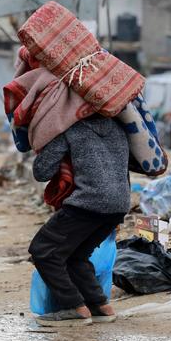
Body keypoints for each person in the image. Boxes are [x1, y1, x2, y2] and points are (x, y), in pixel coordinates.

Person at [28, 114, 130, 327]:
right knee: (76, 255)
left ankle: (74, 308)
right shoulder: (119, 127)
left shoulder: (70, 127)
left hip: (87, 203)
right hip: (119, 205)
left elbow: (41, 171)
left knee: (43, 250)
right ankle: (101, 306)